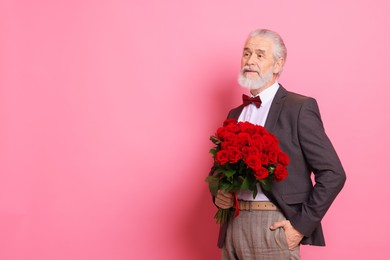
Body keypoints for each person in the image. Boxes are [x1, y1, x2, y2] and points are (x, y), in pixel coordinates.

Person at [210, 29, 346, 259]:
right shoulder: (234, 114)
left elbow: (334, 173)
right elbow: (217, 172)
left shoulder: (299, 108)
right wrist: (218, 194)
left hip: (274, 227)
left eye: (260, 55)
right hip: (233, 224)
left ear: (277, 64)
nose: (250, 60)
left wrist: (300, 226)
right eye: (246, 53)